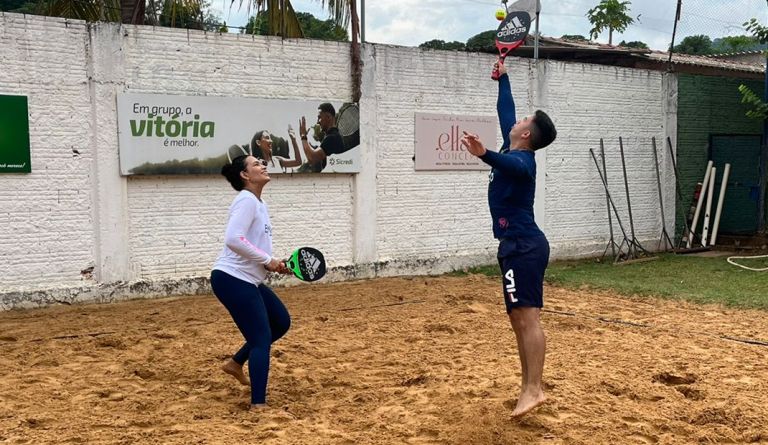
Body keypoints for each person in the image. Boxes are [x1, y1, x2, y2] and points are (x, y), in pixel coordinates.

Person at [461, 59, 557, 418]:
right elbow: (507, 109)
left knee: (527, 318)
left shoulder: (524, 161)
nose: (516, 123)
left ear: (528, 135)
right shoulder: (511, 144)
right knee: (519, 319)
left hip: (524, 246)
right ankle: (528, 387)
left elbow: (512, 167)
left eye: (522, 122)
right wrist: (504, 77)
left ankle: (534, 389)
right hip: (514, 246)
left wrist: (484, 154)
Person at [210, 153, 292, 409]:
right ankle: (258, 404)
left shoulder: (259, 203)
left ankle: (235, 363)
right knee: (260, 338)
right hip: (232, 279)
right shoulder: (245, 200)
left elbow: (252, 246)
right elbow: (233, 239)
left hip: (248, 279)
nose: (263, 165)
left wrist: (276, 263)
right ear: (245, 175)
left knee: (280, 322)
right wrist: (267, 260)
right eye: (256, 164)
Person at [299, 103, 347, 172]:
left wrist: (303, 136)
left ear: (328, 117)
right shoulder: (332, 136)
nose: (317, 122)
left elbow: (312, 158)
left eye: (319, 117)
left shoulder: (332, 138)